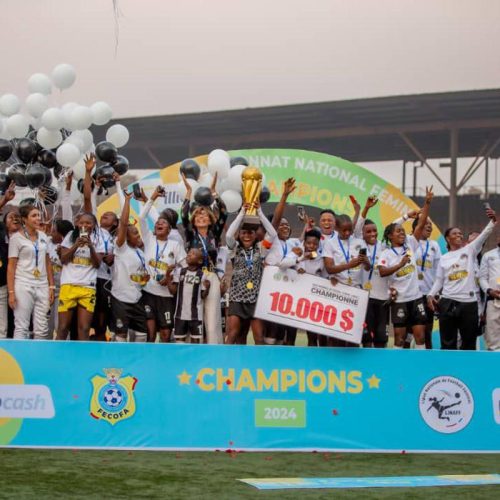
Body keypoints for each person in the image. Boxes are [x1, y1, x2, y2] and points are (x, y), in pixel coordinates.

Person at [428, 206, 497, 350]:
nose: (459, 235)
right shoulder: (444, 258)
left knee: (469, 343)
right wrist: (430, 295)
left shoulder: (470, 250)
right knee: (448, 342)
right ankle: (448, 370)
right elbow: (439, 281)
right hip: (447, 302)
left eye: (460, 233)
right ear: (448, 238)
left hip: (468, 303)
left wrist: (492, 221)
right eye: (455, 233)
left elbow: (484, 235)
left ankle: (467, 371)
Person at [378, 186, 434, 349]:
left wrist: (427, 203)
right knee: (400, 339)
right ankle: (397, 368)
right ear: (390, 236)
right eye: (398, 232)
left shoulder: (410, 244)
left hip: (416, 298)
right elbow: (382, 272)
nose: (402, 233)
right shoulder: (386, 253)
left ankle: (420, 367)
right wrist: (399, 265)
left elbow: (421, 223)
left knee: (420, 336)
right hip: (399, 301)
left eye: (403, 231)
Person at [181, 173, 227, 344]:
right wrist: (188, 192)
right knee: (194, 315)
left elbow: (224, 213)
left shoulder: (214, 234)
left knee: (212, 316)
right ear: (194, 220)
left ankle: (214, 349)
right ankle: (194, 348)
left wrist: (214, 193)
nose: (201, 217)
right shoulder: (190, 233)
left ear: (210, 220)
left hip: (211, 275)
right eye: (198, 216)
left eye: (205, 216)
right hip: (193, 275)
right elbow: (183, 215)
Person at [225, 201, 277, 345]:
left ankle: (258, 365)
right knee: (233, 334)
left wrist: (260, 212)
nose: (247, 236)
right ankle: (224, 362)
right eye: (243, 233)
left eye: (250, 233)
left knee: (259, 337)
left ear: (255, 235)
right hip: (237, 298)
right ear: (239, 234)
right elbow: (229, 235)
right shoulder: (234, 249)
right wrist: (241, 213)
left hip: (255, 299)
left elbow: (272, 234)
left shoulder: (261, 249)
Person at [139, 186, 186, 342]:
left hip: (166, 296)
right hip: (148, 293)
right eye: (158, 222)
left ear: (169, 229)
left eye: (163, 223)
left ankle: (163, 364)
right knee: (150, 334)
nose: (159, 223)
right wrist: (152, 198)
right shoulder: (148, 239)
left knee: (165, 335)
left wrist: (172, 280)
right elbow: (141, 217)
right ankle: (148, 364)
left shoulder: (175, 245)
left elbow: (183, 266)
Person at [83, 155, 119, 341]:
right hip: (89, 279)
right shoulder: (94, 229)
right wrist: (89, 173)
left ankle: (101, 345)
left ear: (115, 223)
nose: (104, 216)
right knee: (84, 323)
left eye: (109, 216)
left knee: (101, 323)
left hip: (106, 280)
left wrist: (112, 257)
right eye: (103, 214)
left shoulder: (115, 238)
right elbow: (89, 199)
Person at [7, 205, 55, 340]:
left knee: (42, 327)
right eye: (34, 216)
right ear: (24, 219)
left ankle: (39, 359)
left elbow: (47, 262)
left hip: (42, 284)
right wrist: (11, 292)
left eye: (39, 215)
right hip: (23, 284)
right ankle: (19, 358)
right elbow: (11, 266)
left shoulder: (44, 236)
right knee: (22, 325)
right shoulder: (16, 238)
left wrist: (51, 286)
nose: (38, 218)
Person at [56, 213, 104, 341]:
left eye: (88, 223)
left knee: (84, 328)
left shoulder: (98, 239)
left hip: (88, 287)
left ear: (94, 225)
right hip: (68, 285)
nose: (85, 225)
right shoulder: (71, 236)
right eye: (82, 223)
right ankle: (56, 358)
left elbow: (97, 264)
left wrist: (91, 247)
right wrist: (76, 245)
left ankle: (84, 359)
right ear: (77, 223)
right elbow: (64, 259)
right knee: (63, 327)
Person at [110, 190, 150, 342]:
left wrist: (144, 278)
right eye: (135, 234)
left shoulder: (139, 252)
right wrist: (127, 201)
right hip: (121, 298)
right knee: (121, 335)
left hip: (137, 298)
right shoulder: (121, 247)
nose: (139, 237)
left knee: (142, 335)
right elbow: (124, 223)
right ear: (125, 236)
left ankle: (138, 363)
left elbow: (139, 275)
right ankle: (119, 364)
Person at [411, 215, 441, 348]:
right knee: (407, 333)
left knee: (427, 332)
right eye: (426, 223)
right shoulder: (409, 242)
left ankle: (427, 365)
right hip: (411, 295)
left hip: (428, 295)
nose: (430, 226)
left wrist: (436, 294)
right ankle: (404, 364)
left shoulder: (434, 245)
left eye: (431, 224)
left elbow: (438, 272)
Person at [296, 228, 329, 347]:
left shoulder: (321, 259)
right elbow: (287, 267)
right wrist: (297, 268)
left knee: (318, 333)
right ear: (304, 243)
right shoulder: (298, 256)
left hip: (316, 300)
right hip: (300, 298)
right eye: (309, 243)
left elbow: (326, 277)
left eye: (315, 244)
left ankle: (322, 361)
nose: (312, 246)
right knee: (309, 336)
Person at [169, 248, 210, 344]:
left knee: (195, 342)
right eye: (189, 253)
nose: (189, 254)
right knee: (179, 343)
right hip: (180, 314)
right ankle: (180, 359)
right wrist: (167, 277)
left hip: (196, 316)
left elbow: (203, 296)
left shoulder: (202, 275)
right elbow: (173, 291)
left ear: (200, 261)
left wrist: (208, 288)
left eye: (193, 253)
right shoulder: (180, 272)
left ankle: (195, 359)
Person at [47, 219, 74, 337]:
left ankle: (62, 349)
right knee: (46, 324)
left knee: (61, 325)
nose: (51, 233)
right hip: (48, 288)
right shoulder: (47, 241)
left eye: (54, 231)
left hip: (64, 290)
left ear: (62, 234)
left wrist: (61, 254)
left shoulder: (70, 246)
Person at [479, 233, 500, 351]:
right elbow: (482, 278)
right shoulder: (489, 255)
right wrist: (489, 290)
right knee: (493, 340)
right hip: (494, 300)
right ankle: (494, 366)